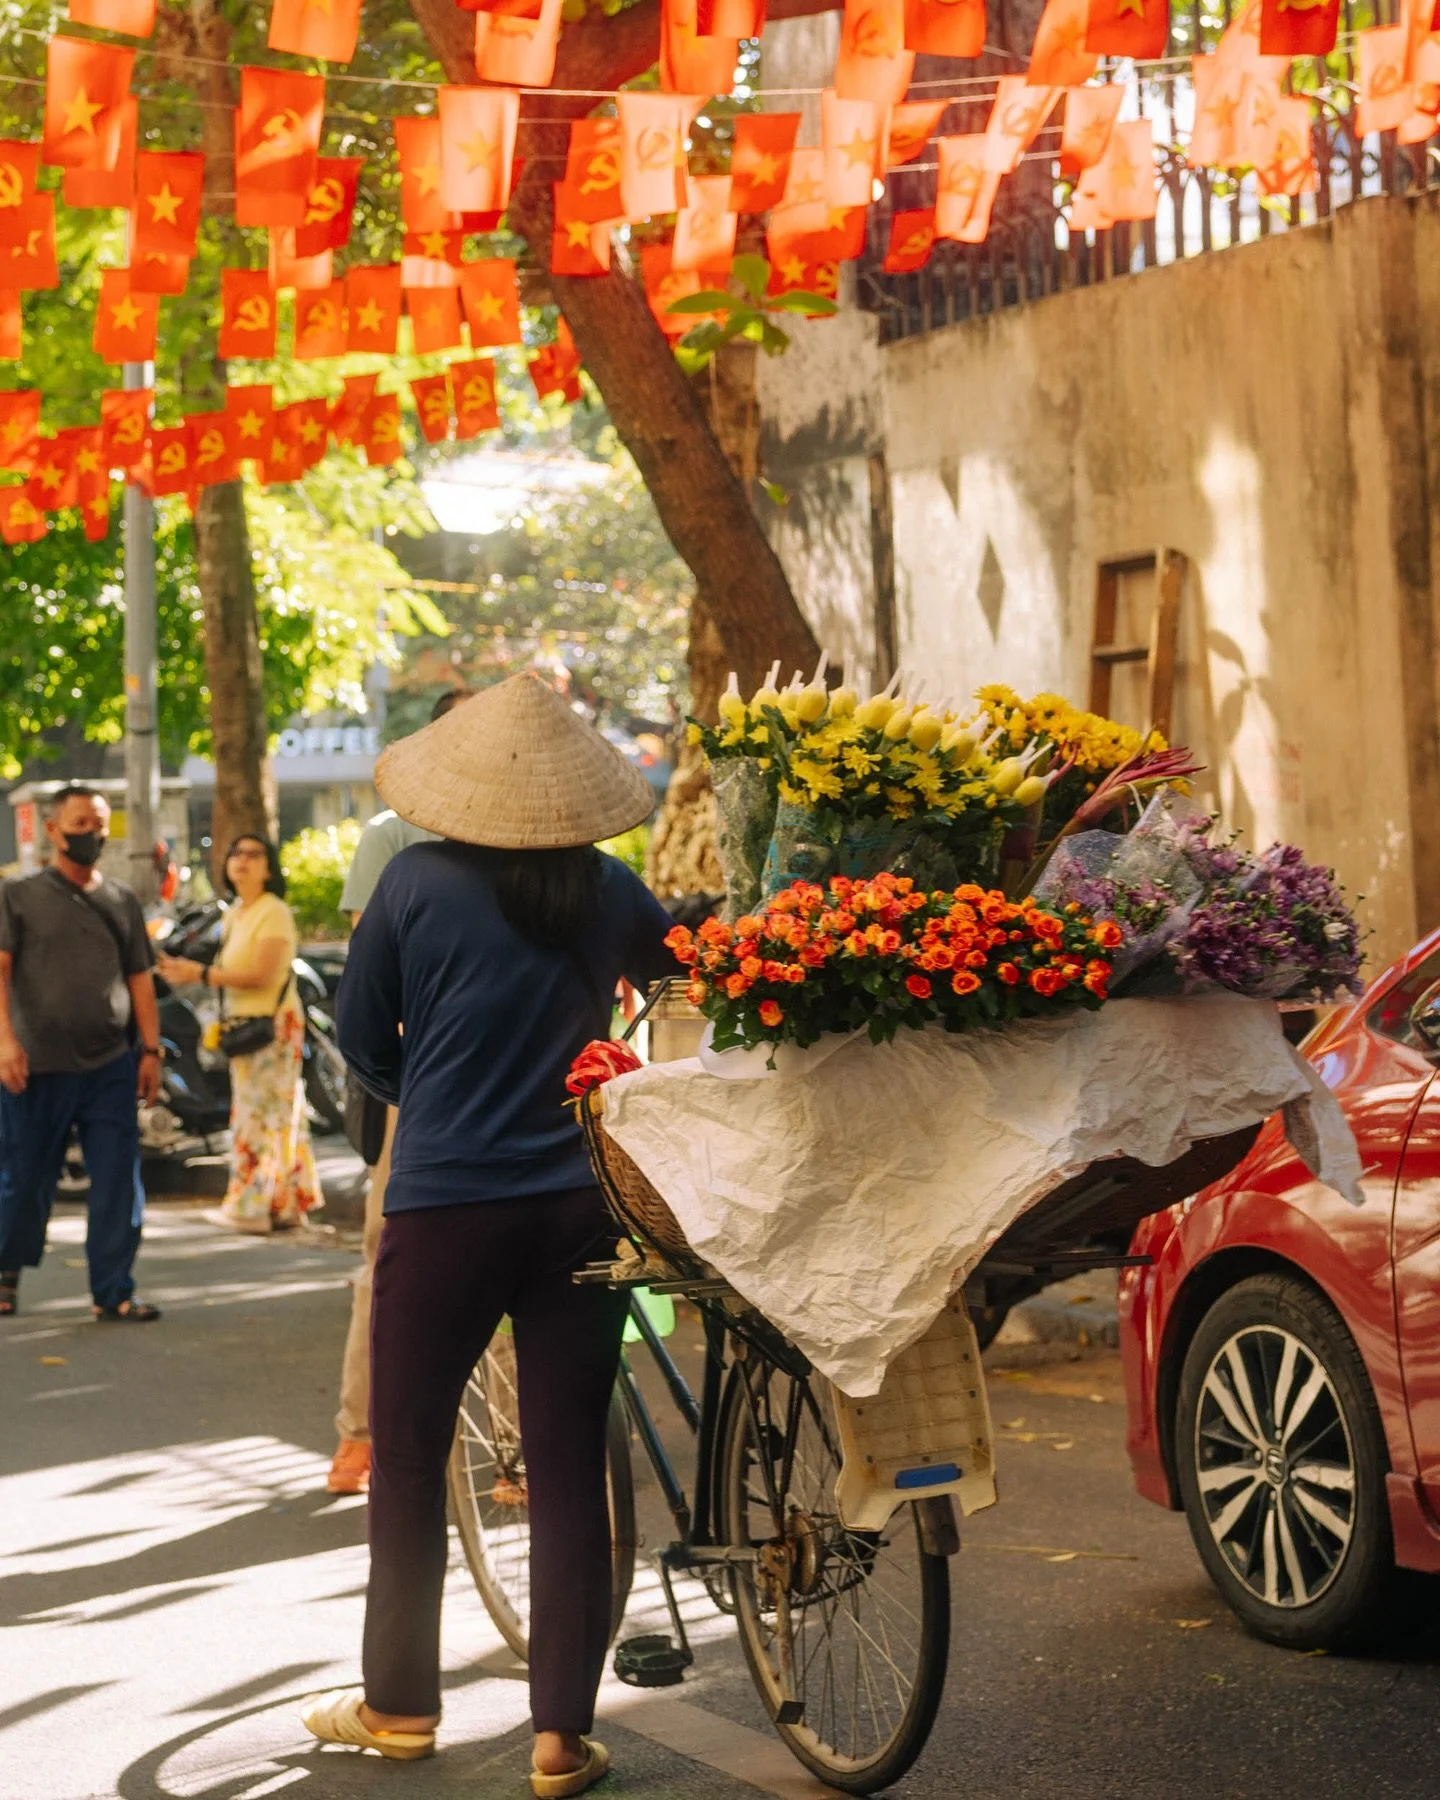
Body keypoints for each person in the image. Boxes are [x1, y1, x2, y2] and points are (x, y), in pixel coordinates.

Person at [305, 672, 678, 1798]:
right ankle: (563, 1735)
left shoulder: (413, 884)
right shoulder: (608, 887)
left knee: (410, 1455)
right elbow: (680, 978)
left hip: (444, 1205)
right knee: (568, 1461)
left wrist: (439, 1092)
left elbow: (362, 1039)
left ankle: (400, 1708)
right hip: (578, 1201)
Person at [328, 687, 468, 1498]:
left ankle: (516, 1443)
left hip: (522, 1082)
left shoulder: (545, 841)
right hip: (420, 1084)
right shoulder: (393, 837)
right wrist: (400, 1083)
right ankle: (360, 1434)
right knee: (388, 1250)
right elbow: (368, 983)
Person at [0, 784, 163, 1321]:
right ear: (52, 829)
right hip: (34, 1066)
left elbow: (140, 979)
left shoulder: (120, 900)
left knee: (118, 1178)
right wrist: (5, 1042)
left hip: (108, 1065)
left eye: (98, 823)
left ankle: (114, 1289)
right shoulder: (18, 896)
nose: (91, 834)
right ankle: (5, 1276)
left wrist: (151, 1052)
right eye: (79, 824)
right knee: (24, 1180)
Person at [158, 836, 320, 1234]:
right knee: (272, 1115)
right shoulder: (237, 913)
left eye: (254, 854)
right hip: (242, 1027)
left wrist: (199, 974)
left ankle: (252, 1208)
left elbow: (264, 974)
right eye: (236, 853)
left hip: (272, 1025)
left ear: (269, 867)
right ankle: (284, 1205)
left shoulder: (274, 911)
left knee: (262, 1117)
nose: (242, 861)